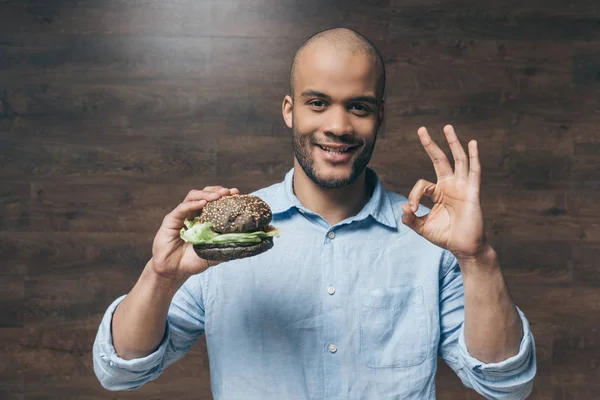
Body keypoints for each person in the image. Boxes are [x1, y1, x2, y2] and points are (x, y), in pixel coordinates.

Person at [93, 28, 536, 399]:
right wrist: (161, 277)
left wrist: (478, 259)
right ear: (290, 111)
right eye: (318, 102)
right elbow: (121, 370)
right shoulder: (219, 239)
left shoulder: (431, 242)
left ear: (380, 117)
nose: (339, 126)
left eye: (358, 106)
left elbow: (504, 384)